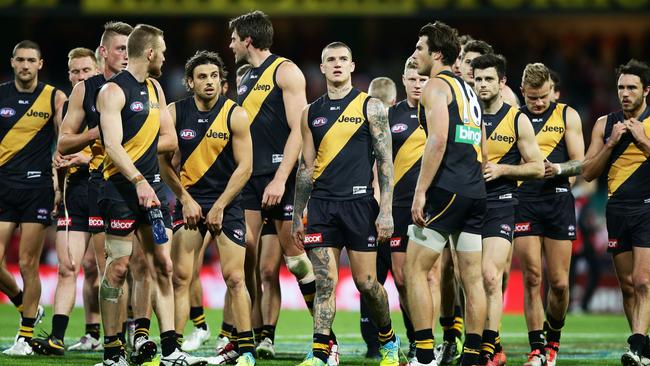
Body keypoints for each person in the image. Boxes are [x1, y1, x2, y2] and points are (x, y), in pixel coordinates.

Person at [95, 24, 206, 366]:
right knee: (118, 267)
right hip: (118, 188)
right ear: (149, 53)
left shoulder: (156, 88)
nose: (166, 56)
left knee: (164, 264)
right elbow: (111, 145)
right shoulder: (112, 92)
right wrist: (138, 177)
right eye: (163, 50)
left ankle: (170, 348)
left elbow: (170, 140)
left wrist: (145, 165)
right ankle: (113, 351)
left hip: (153, 185)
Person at [292, 41, 399, 366]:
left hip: (359, 205)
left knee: (367, 284)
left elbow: (385, 162)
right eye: (330, 60)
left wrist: (385, 210)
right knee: (324, 283)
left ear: (352, 66)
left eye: (343, 59)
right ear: (322, 68)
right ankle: (321, 352)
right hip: (323, 206)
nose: (337, 64)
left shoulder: (372, 107)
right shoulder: (310, 112)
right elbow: (305, 168)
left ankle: (389, 341)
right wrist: (298, 214)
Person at [229, 11, 319, 360]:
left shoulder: (286, 70)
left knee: (295, 261)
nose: (231, 44)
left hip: (279, 178)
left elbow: (300, 128)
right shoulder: (243, 75)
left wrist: (281, 178)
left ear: (248, 40)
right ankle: (251, 340)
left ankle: (324, 337)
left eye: (234, 38)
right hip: (249, 178)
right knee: (250, 261)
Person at [160, 50, 255, 366]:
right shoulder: (174, 113)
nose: (209, 82)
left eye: (214, 76)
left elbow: (245, 167)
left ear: (222, 82)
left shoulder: (235, 115)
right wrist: (185, 199)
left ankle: (246, 353)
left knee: (235, 278)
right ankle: (173, 350)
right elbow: (163, 165)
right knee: (181, 277)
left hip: (227, 205)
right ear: (190, 82)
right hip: (190, 204)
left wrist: (220, 206)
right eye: (202, 76)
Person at [405, 21, 486, 366]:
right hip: (474, 189)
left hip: (447, 188)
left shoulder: (435, 87)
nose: (415, 54)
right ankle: (473, 354)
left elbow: (437, 140)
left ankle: (423, 352)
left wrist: (421, 191)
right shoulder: (467, 89)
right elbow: (479, 138)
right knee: (472, 277)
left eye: (420, 48)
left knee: (414, 269)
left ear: (437, 54)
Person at [57, 21, 135, 353]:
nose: (126, 56)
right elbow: (63, 141)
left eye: (130, 50)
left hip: (137, 187)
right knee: (109, 267)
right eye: (120, 49)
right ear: (103, 52)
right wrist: (92, 136)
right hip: (100, 188)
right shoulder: (84, 90)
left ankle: (137, 332)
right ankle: (113, 342)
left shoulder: (145, 87)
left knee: (137, 266)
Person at [471, 54, 544, 365]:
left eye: (489, 79)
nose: (483, 84)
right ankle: (474, 345)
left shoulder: (517, 119)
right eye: (478, 79)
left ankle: (489, 348)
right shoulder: (464, 117)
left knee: (490, 276)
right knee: (468, 282)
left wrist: (502, 170)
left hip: (501, 204)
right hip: (467, 207)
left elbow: (538, 167)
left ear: (501, 83)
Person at [30, 47, 101, 356]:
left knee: (106, 269)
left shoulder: (111, 100)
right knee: (67, 267)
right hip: (73, 194)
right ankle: (57, 337)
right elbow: (59, 152)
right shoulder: (64, 108)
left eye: (85, 70)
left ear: (97, 69)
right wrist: (58, 190)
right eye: (74, 71)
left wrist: (87, 158)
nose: (79, 76)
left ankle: (114, 335)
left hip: (104, 190)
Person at [513, 63, 584, 366]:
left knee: (559, 283)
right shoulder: (514, 117)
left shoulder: (567, 115)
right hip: (525, 200)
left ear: (552, 90)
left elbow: (580, 164)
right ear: (522, 92)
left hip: (557, 200)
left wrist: (558, 169)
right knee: (532, 277)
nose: (538, 103)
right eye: (532, 98)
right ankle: (536, 348)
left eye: (543, 96)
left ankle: (553, 339)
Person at [0, 40, 67, 356]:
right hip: (3, 187)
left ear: (40, 64)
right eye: (20, 60)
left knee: (28, 262)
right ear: (12, 62)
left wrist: (58, 186)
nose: (25, 65)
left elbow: (64, 144)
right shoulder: (1, 94)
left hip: (37, 189)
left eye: (31, 60)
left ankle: (25, 336)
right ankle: (23, 304)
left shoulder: (55, 97)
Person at [582, 59, 650, 366]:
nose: (625, 93)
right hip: (617, 209)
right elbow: (587, 173)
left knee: (643, 281)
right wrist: (611, 144)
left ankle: (635, 346)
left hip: (647, 207)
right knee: (626, 284)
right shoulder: (604, 124)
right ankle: (642, 348)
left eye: (632, 87)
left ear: (646, 91)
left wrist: (643, 141)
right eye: (621, 87)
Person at [359, 75, 397, 360]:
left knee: (372, 280)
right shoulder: (398, 126)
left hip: (376, 210)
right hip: (385, 210)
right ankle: (418, 340)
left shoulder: (372, 124)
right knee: (373, 280)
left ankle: (375, 343)